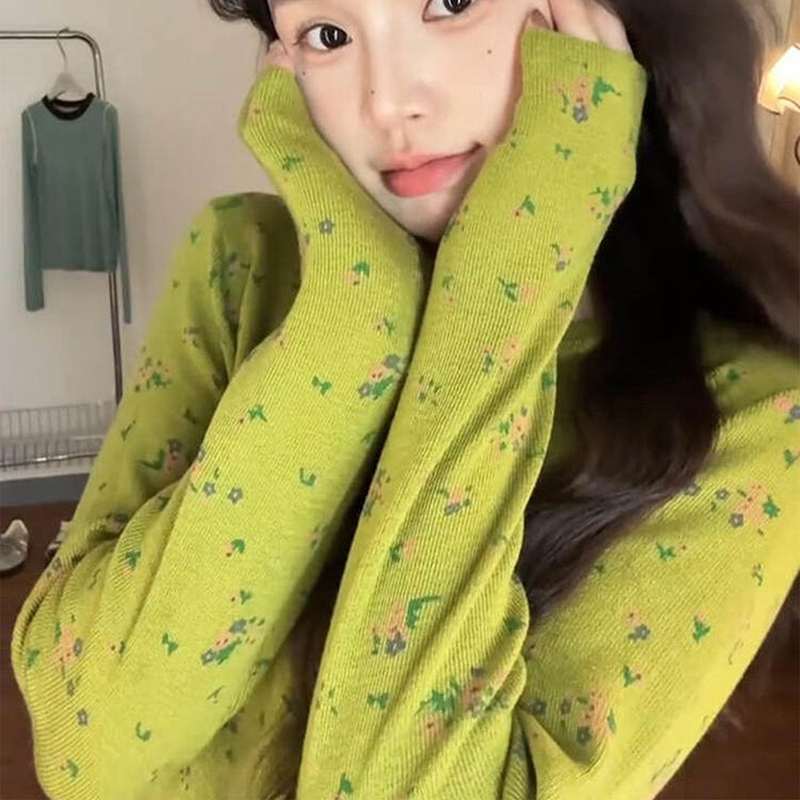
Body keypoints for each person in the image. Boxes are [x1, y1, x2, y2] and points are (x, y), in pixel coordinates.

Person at [10, 0, 799, 798]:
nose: (387, 103)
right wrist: (354, 314)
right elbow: (87, 751)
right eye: (327, 36)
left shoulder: (755, 412)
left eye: (450, 3)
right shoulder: (240, 264)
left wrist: (504, 282)